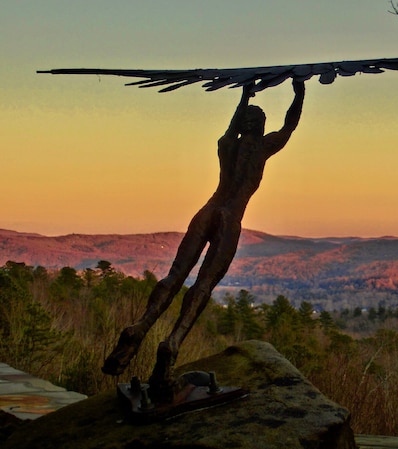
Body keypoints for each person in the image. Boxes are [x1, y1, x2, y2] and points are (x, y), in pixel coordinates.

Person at [102, 79, 305, 399]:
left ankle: (140, 325)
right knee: (203, 285)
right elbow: (290, 125)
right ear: (260, 127)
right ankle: (173, 342)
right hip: (230, 220)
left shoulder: (226, 144)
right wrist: (299, 91)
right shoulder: (263, 148)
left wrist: (243, 96)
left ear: (240, 126)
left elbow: (231, 128)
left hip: (207, 211)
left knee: (175, 275)